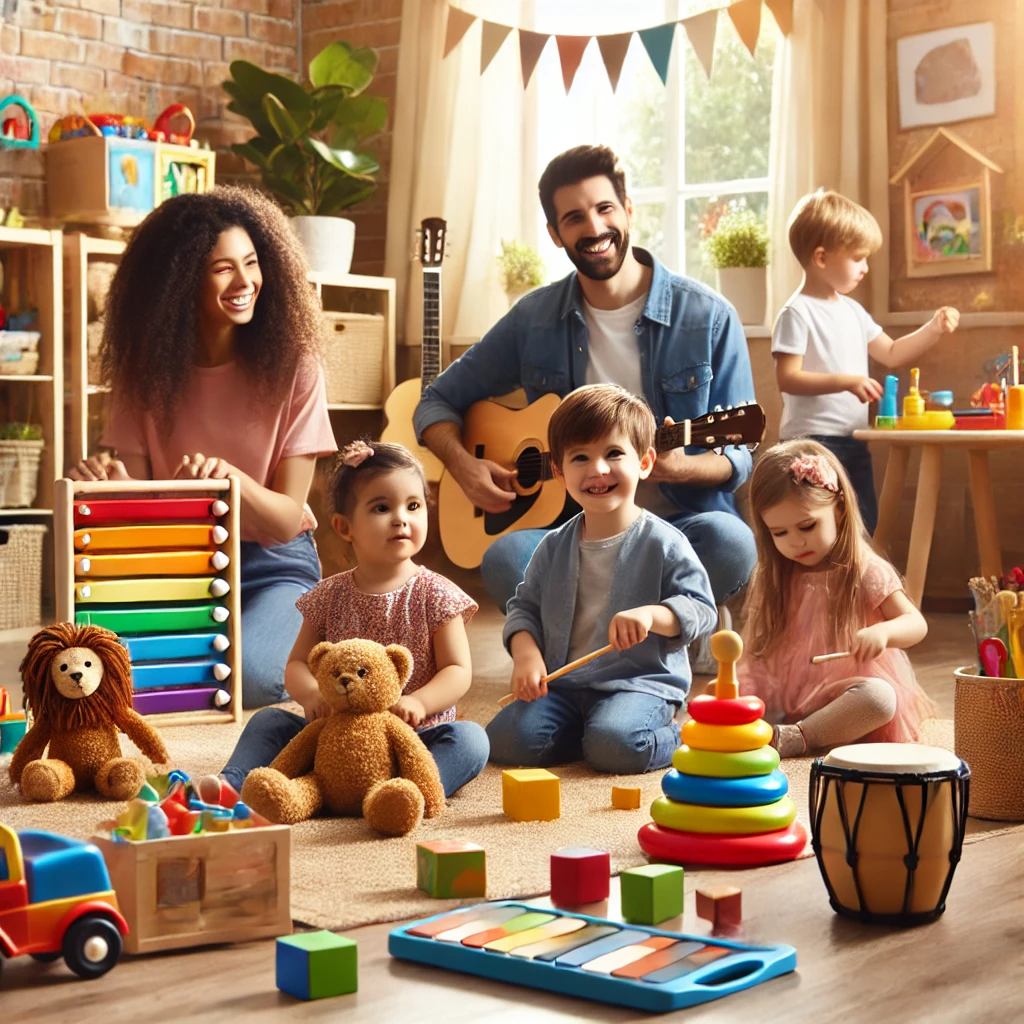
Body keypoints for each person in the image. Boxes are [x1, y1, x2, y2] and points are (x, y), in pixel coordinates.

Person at [413, 145, 757, 624]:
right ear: (556, 234)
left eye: (604, 209)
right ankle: (671, 620)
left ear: (628, 209)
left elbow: (741, 453)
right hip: (571, 529)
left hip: (678, 525)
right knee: (504, 559)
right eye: (574, 218)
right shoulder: (532, 320)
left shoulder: (707, 316)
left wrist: (682, 469)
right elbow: (435, 401)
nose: (594, 229)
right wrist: (464, 465)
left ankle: (595, 631)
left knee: (732, 543)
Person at [68, 186, 337, 708]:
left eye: (253, 263)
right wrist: (111, 491)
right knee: (103, 670)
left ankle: (282, 635)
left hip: (273, 565)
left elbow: (285, 520)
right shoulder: (143, 372)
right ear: (179, 281)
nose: (245, 282)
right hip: (178, 563)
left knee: (254, 677)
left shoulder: (296, 365)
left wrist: (231, 483)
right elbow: (144, 516)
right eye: (222, 269)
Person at [216, 441, 489, 799]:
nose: (401, 518)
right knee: (270, 721)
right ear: (345, 528)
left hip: (410, 738)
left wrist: (420, 702)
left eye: (413, 506)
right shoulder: (329, 595)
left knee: (471, 740)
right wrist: (312, 694)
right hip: (335, 738)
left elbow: (457, 669)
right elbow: (297, 662)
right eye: (381, 507)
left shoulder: (436, 594)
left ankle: (408, 793)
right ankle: (231, 783)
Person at [486, 385, 718, 774]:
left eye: (614, 453)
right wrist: (526, 656)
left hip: (640, 685)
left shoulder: (665, 542)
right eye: (580, 457)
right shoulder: (553, 546)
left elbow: (701, 609)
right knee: (507, 740)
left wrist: (651, 615)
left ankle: (676, 733)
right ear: (559, 472)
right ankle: (591, 731)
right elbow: (523, 608)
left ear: (644, 462)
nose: (598, 470)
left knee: (617, 746)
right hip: (565, 686)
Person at [773, 189, 959, 534]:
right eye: (858, 258)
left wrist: (932, 329)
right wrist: (846, 381)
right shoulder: (797, 313)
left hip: (853, 441)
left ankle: (854, 590)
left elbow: (891, 353)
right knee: (815, 532)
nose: (865, 268)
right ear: (822, 258)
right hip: (811, 446)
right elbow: (788, 377)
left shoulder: (853, 312)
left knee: (861, 529)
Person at [738, 439, 937, 758]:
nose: (796, 542)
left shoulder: (865, 570)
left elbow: (916, 624)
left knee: (879, 699)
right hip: (791, 692)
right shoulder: (775, 576)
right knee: (738, 693)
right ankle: (788, 728)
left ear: (840, 509)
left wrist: (883, 632)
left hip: (846, 691)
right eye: (780, 533)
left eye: (807, 525)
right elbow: (759, 649)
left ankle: (799, 737)